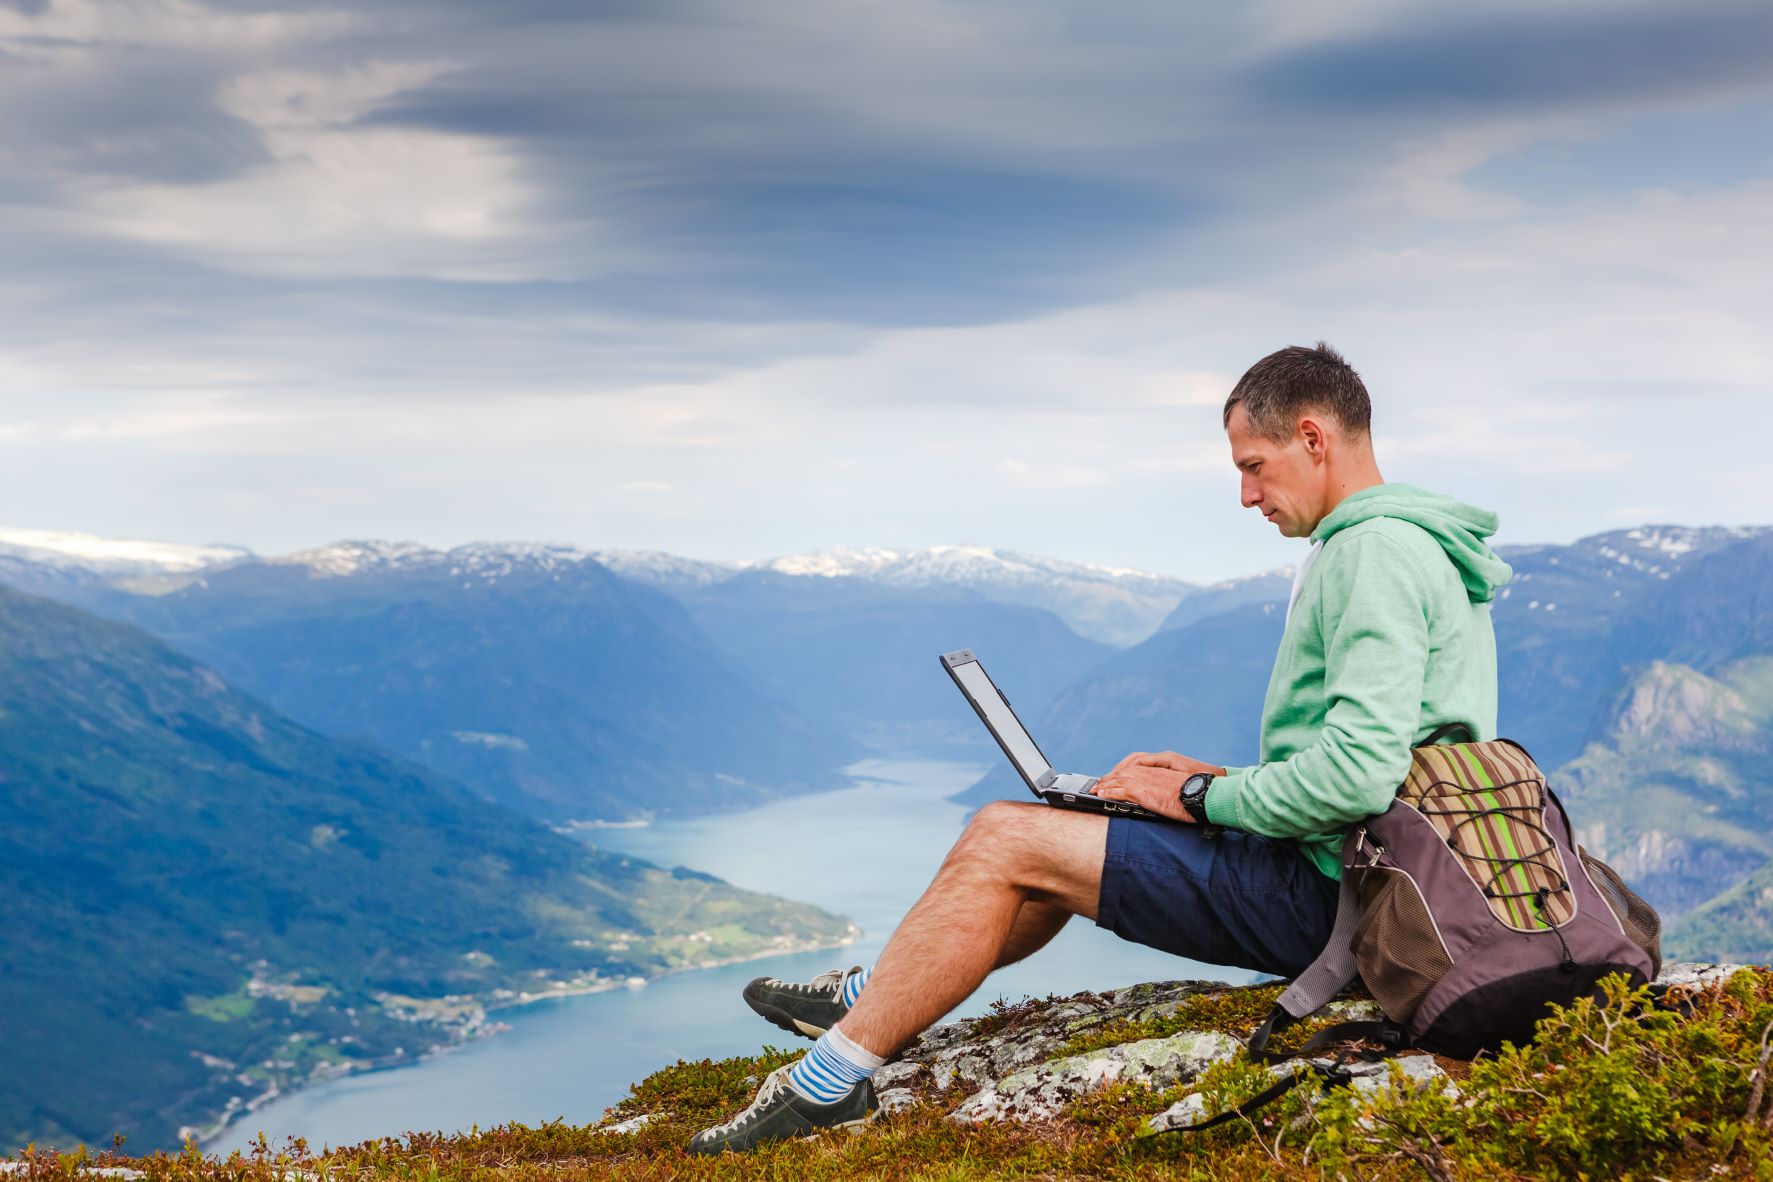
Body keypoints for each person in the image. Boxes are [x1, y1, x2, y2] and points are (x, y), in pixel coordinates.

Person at [687, 341, 1515, 1154]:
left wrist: (1198, 800)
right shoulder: (1410, 543)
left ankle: (827, 1086)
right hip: (1374, 873)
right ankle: (875, 997)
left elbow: (1358, 775)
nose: (1244, 494)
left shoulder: (1370, 552)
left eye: (1253, 465)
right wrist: (1218, 778)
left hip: (1343, 898)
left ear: (1311, 437)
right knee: (1053, 825)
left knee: (1004, 838)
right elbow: (1387, 756)